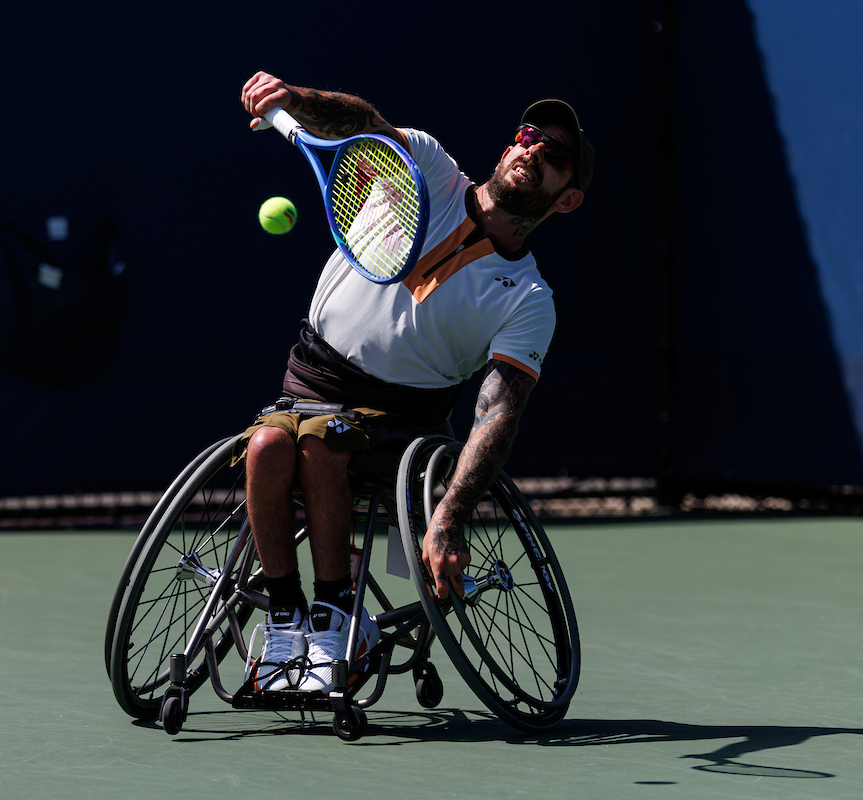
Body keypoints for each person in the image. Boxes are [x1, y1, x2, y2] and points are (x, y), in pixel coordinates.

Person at [236, 71, 594, 692]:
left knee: (322, 445)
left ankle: (334, 618)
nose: (535, 150)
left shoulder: (531, 299)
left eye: (556, 155)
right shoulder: (425, 166)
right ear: (509, 145)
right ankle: (286, 619)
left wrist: (451, 518)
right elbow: (357, 123)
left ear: (568, 198)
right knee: (267, 446)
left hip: (397, 425)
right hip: (309, 379)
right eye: (530, 136)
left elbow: (497, 413)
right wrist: (293, 101)